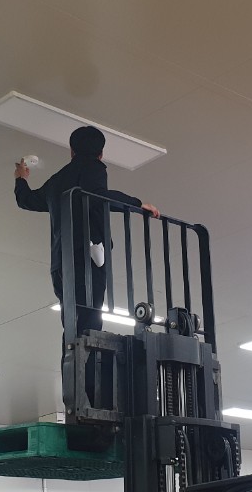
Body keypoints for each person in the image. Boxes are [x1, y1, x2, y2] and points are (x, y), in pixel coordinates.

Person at [13, 125, 159, 344]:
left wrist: (21, 179)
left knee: (72, 323)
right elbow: (98, 196)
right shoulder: (94, 167)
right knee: (89, 322)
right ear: (101, 153)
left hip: (61, 262)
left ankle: (73, 363)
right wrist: (136, 205)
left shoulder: (57, 180)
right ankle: (86, 364)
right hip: (87, 256)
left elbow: (28, 201)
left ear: (71, 150)